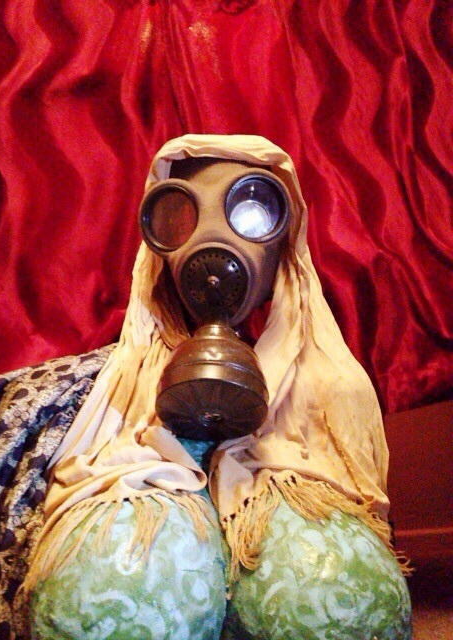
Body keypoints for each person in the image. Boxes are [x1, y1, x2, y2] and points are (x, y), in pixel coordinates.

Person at [25, 135, 412, 639]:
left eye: (250, 214)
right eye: (178, 219)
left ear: (284, 242)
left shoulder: (332, 388)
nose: (212, 247)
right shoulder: (112, 398)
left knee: (342, 601)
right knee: (114, 591)